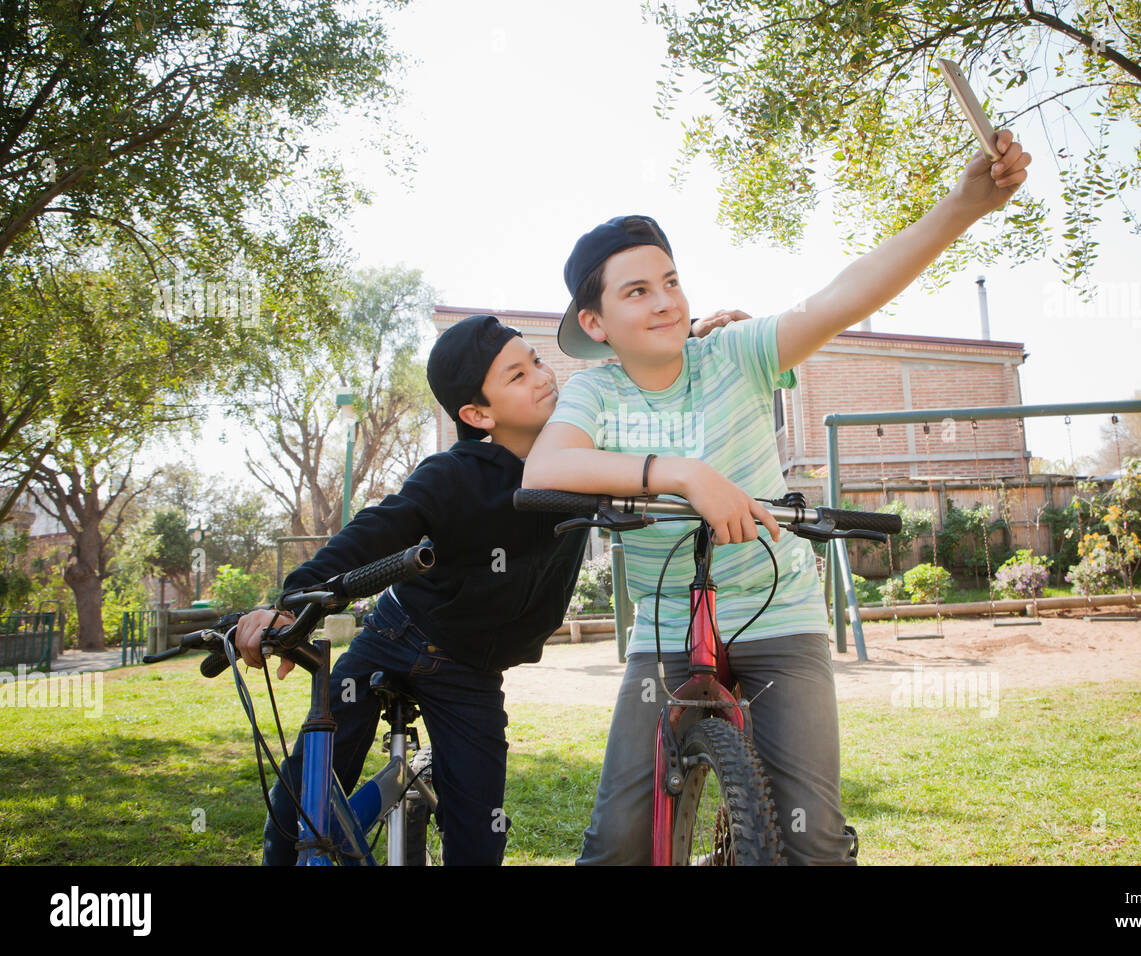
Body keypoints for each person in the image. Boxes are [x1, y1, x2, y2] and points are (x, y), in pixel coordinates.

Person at [522, 130, 1032, 864]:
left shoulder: (734, 353)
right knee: (616, 843)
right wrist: (686, 474)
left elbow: (840, 299)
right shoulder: (598, 388)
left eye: (671, 281)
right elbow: (546, 469)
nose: (665, 301)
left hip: (778, 609)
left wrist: (961, 207)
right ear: (597, 324)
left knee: (813, 841)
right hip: (668, 626)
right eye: (637, 291)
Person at [234, 310, 748, 865]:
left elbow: (633, 373)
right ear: (478, 414)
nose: (543, 375)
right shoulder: (452, 475)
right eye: (518, 376)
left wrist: (688, 336)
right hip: (395, 636)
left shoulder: (587, 460)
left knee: (479, 838)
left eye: (534, 360)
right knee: (296, 808)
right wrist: (287, 604)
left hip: (471, 674)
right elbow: (373, 532)